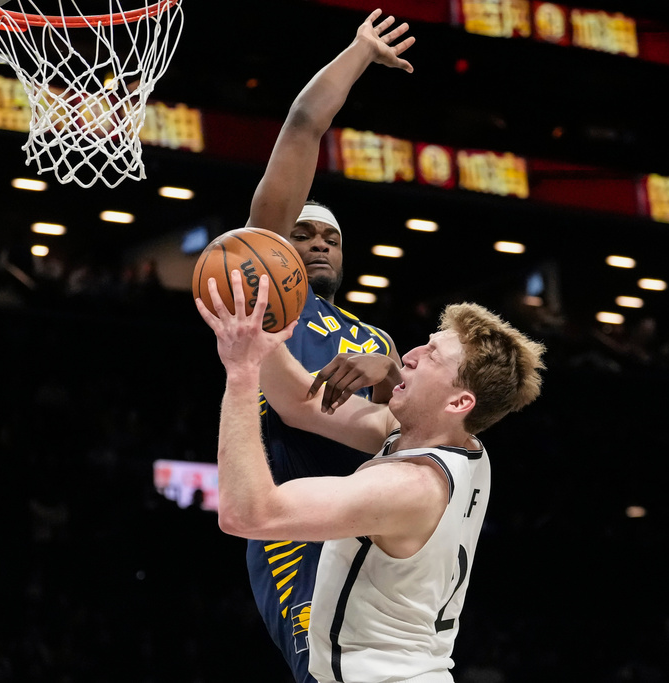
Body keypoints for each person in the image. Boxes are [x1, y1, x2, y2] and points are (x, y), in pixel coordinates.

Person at [195, 271, 546, 682]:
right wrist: (263, 336)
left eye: (431, 355)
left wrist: (240, 372)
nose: (409, 355)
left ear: (460, 401)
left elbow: (247, 513)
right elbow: (298, 403)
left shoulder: (410, 488)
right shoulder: (460, 448)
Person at [237, 10, 413, 681]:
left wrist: (390, 366)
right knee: (321, 668)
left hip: (370, 514)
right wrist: (360, 53)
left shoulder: (376, 337)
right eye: (304, 232)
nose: (316, 243)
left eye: (330, 238)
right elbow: (304, 126)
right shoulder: (270, 291)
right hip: (293, 504)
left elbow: (410, 426)